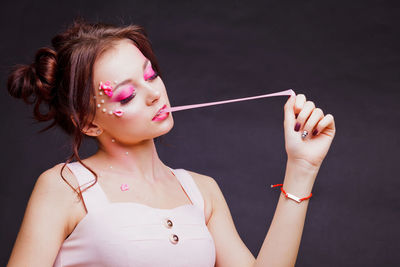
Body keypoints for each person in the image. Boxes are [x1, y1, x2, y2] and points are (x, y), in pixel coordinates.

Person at [6, 18, 336, 267]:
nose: (154, 93)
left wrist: (301, 167)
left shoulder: (202, 191)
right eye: (127, 94)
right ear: (89, 123)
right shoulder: (64, 187)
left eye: (150, 75)